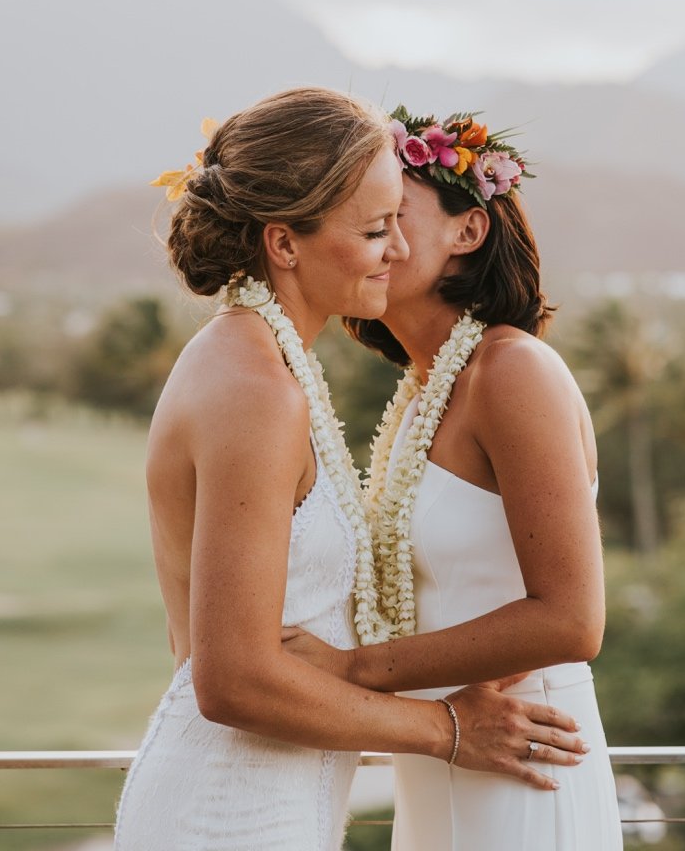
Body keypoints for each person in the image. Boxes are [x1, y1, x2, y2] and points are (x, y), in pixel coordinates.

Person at [114, 88, 586, 851]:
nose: (396, 249)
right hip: (231, 810)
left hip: (275, 796)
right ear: (284, 243)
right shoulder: (254, 389)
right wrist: (446, 729)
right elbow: (232, 678)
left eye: (400, 222)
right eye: (374, 229)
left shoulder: (259, 363)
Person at [286, 105, 622, 849]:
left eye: (391, 215)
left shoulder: (513, 371)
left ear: (469, 232)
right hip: (442, 757)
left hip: (527, 760)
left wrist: (354, 669)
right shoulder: (423, 389)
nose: (372, 238)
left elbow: (572, 619)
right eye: (360, 220)